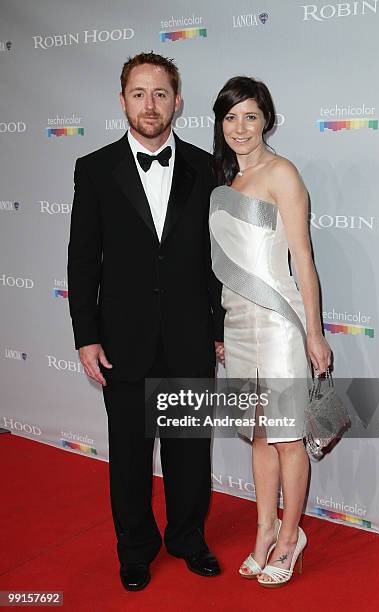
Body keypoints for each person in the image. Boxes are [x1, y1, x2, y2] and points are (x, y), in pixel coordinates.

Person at [67, 52, 225, 592]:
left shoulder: (209, 169)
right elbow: (82, 258)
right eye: (139, 93)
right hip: (121, 340)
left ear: (178, 101)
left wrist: (221, 329)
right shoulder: (93, 169)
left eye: (161, 94)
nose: (150, 104)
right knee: (130, 459)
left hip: (190, 337)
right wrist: (85, 334)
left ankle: (187, 538)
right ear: (122, 101)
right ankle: (135, 548)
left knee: (188, 452)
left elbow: (220, 260)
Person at [209, 76, 332, 587]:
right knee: (259, 436)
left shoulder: (283, 173)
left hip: (280, 325)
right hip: (237, 326)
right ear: (221, 122)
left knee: (287, 439)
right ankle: (264, 531)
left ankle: (290, 538)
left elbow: (303, 258)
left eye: (250, 116)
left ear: (267, 121)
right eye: (231, 117)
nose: (240, 127)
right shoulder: (223, 185)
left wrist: (314, 332)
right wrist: (220, 328)